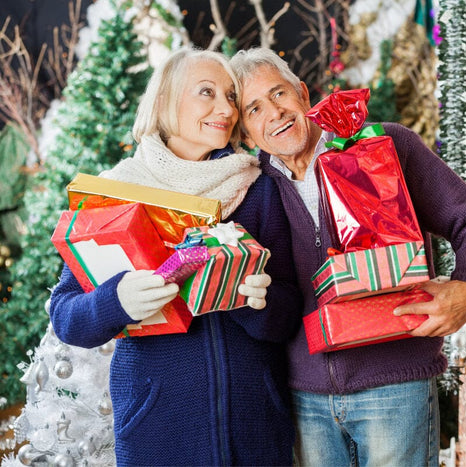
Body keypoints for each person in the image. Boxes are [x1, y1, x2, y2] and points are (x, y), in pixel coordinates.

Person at [230, 47, 466, 466]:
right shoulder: (253, 190)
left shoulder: (382, 145)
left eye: (279, 94)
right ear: (247, 133)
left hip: (395, 388)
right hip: (306, 399)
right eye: (254, 108)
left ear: (303, 95)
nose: (275, 113)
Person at [49, 48, 302, 466]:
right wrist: (118, 302)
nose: (225, 108)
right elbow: (66, 315)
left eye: (231, 97)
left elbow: (288, 314)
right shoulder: (116, 192)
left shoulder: (256, 188)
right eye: (207, 92)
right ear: (166, 100)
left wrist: (259, 300)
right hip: (156, 435)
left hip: (255, 433)